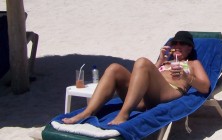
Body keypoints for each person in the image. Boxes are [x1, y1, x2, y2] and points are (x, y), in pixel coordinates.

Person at [62, 31, 210, 125]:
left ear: (189, 48)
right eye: (174, 43)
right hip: (143, 97)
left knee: (142, 62)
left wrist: (186, 76)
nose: (177, 46)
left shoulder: (193, 63)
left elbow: (205, 87)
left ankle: (123, 114)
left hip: (169, 92)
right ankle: (87, 112)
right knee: (114, 68)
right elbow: (145, 74)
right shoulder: (165, 61)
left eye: (182, 44)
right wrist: (160, 61)